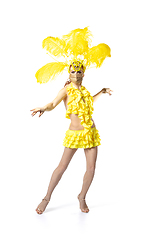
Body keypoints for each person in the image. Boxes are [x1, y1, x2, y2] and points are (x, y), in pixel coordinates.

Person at [30, 27, 112, 214]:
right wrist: (44, 107)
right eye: (73, 71)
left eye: (79, 71)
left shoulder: (84, 91)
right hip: (74, 134)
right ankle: (46, 198)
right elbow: (53, 103)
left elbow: (90, 101)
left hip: (90, 132)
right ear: (69, 73)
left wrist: (102, 91)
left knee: (91, 168)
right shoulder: (66, 90)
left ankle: (82, 197)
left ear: (84, 73)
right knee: (61, 167)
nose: (76, 74)